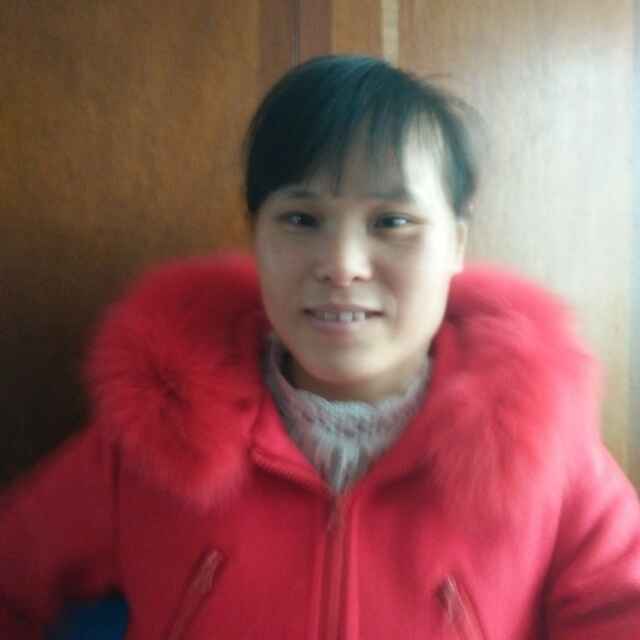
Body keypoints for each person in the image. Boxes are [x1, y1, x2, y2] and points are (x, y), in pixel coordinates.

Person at [2, 54, 640, 639]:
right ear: (256, 236)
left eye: (392, 222)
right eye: (301, 220)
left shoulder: (545, 450)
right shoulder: (149, 442)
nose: (342, 265)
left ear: (455, 244)